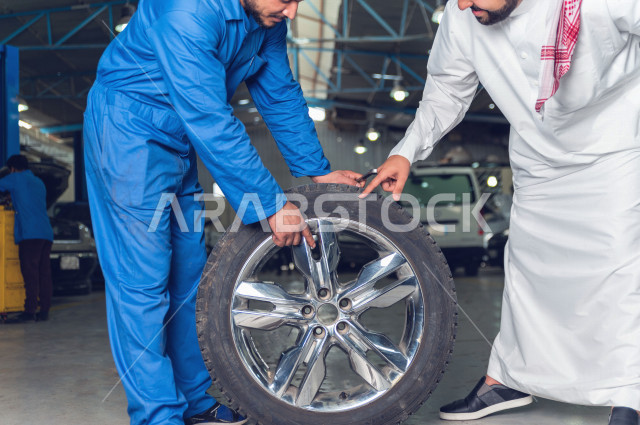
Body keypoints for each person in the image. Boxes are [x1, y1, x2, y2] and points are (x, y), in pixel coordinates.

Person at [83, 0, 362, 424]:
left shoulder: (264, 17)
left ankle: (194, 403)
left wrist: (314, 174)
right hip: (128, 133)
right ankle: (157, 414)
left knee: (188, 274)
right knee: (142, 282)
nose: (292, 11)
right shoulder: (184, 12)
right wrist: (271, 204)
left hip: (178, 139)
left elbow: (279, 92)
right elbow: (210, 117)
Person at [361, 0, 640, 424]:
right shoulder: (463, 15)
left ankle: (630, 393)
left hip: (618, 146)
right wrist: (405, 152)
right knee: (529, 270)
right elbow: (446, 89)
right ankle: (508, 379)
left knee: (620, 269)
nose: (461, 4)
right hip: (539, 159)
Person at [0, 155, 54, 323]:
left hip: (30, 234)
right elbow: (29, 201)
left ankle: (29, 311)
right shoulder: (39, 182)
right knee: (44, 273)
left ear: (12, 168)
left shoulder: (15, 178)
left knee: (30, 273)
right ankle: (44, 311)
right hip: (46, 232)